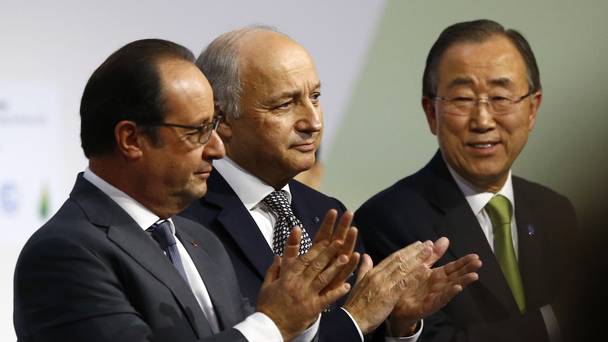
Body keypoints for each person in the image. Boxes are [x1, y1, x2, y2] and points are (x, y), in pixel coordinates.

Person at [13, 38, 364, 342]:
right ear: (131, 139)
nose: (216, 149)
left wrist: (299, 322)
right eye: (197, 131)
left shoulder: (200, 242)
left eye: (213, 126)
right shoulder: (64, 253)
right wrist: (274, 323)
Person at [181, 26, 482, 341]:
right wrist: (354, 320)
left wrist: (398, 326)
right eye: (285, 104)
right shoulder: (184, 218)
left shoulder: (327, 211)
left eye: (315, 97)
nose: (313, 122)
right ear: (223, 118)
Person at [355, 19, 577, 342]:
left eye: (500, 97)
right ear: (431, 113)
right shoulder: (388, 221)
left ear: (532, 109)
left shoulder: (556, 212)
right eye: (462, 99)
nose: (483, 120)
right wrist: (554, 322)